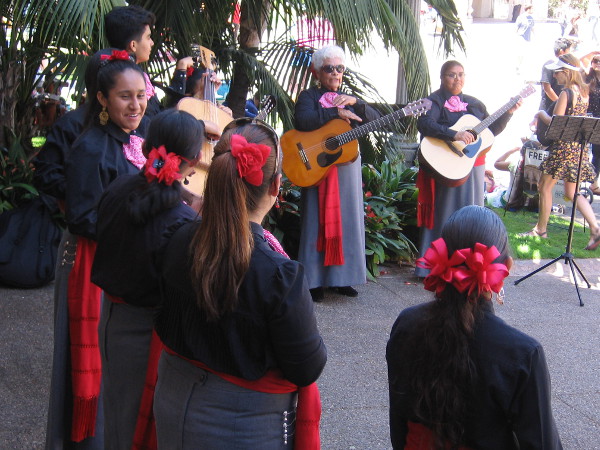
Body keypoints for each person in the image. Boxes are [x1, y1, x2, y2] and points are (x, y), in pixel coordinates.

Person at [153, 118, 327, 448]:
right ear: (276, 186)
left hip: (172, 402)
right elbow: (307, 366)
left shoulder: (177, 238)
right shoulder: (278, 275)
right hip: (244, 424)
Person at [386, 205, 563, 449]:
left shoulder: (407, 324)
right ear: (506, 267)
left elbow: (399, 422)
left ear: (440, 258)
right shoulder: (521, 353)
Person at [45, 51, 148, 449]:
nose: (136, 105)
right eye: (125, 96)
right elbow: (82, 218)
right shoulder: (91, 147)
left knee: (119, 364)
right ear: (103, 99)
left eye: (141, 95)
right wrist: (138, 226)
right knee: (92, 365)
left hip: (120, 261)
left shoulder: (135, 140)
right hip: (92, 265)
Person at [90, 109, 205, 449]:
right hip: (149, 333)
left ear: (148, 146)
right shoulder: (183, 221)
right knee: (140, 427)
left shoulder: (119, 187)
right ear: (196, 160)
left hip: (110, 318)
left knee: (117, 417)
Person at [415, 60, 520, 277]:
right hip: (445, 168)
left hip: (471, 167)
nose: (457, 79)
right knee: (443, 215)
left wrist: (508, 114)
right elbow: (425, 125)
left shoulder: (474, 105)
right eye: (452, 75)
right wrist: (454, 134)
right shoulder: (433, 101)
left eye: (461, 74)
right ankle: (434, 266)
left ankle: (468, 266)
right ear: (442, 77)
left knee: (471, 217)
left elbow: (491, 130)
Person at [294, 44, 380, 302]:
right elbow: (303, 121)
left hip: (347, 167)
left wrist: (357, 103)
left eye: (339, 68)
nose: (335, 73)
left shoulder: (349, 97)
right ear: (317, 72)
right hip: (318, 166)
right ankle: (315, 281)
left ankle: (342, 280)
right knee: (315, 221)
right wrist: (335, 112)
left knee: (348, 220)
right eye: (328, 68)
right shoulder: (308, 97)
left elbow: (375, 119)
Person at [524, 54, 600, 250]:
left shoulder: (567, 92)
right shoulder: (584, 91)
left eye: (557, 72)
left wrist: (540, 114)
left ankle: (540, 230)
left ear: (566, 72)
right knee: (572, 192)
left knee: (544, 186)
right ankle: (595, 227)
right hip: (577, 149)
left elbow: (556, 121)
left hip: (563, 148)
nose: (554, 76)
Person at [104, 5, 161, 117]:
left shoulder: (109, 72)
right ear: (133, 45)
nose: (152, 43)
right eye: (148, 37)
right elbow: (153, 121)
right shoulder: (128, 79)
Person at [539, 37, 572, 111]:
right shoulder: (549, 65)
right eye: (568, 51)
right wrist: (559, 103)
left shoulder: (566, 65)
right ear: (561, 51)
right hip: (548, 108)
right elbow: (547, 88)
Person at [585, 55, 600, 195]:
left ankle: (593, 183)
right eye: (596, 61)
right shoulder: (587, 78)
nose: (598, 64)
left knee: (597, 153)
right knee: (583, 151)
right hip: (588, 118)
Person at [515, 5, 535, 75]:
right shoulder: (521, 17)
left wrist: (535, 36)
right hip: (521, 37)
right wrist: (515, 36)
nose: (533, 10)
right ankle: (518, 66)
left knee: (525, 53)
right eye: (532, 9)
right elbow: (516, 28)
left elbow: (532, 28)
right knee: (520, 52)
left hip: (528, 38)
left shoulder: (531, 18)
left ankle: (522, 67)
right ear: (528, 9)